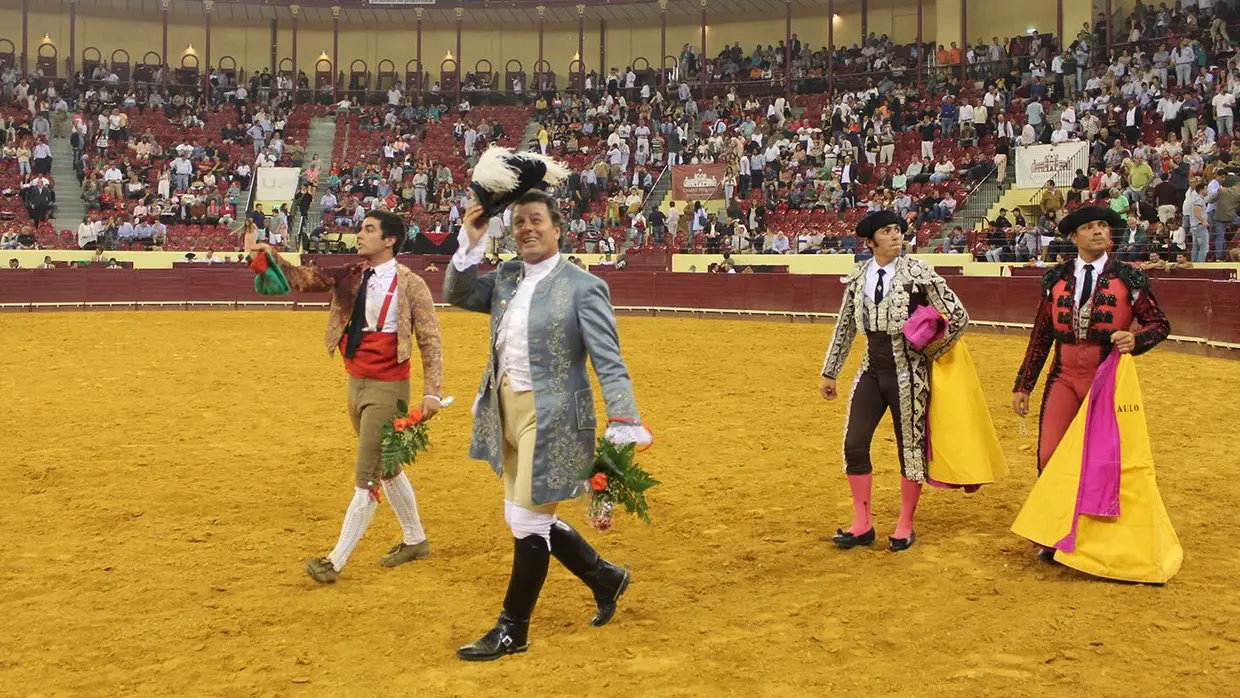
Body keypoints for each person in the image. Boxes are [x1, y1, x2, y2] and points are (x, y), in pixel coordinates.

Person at [446, 190, 650, 661]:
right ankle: (605, 577)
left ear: (558, 229)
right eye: (518, 223)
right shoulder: (506, 277)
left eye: (536, 220)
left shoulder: (584, 285)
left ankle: (512, 628)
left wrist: (624, 418)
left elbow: (610, 361)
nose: (527, 229)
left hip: (554, 415)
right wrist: (470, 243)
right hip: (505, 411)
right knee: (523, 518)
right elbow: (456, 293)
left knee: (527, 521)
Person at [247, 210, 445, 584]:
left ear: (389, 240)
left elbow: (430, 340)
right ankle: (415, 539)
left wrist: (432, 392)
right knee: (386, 467)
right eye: (361, 228)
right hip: (355, 382)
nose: (360, 235)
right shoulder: (353, 273)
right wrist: (267, 256)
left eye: (369, 230)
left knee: (366, 474)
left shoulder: (412, 284)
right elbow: (305, 280)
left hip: (389, 388)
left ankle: (335, 561)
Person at [1010, 206, 1174, 575]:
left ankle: (1096, 537)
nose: (1099, 231)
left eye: (1103, 225)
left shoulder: (1130, 278)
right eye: (1089, 227)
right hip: (1064, 376)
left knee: (1105, 459)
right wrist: (1024, 385)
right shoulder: (1056, 279)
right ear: (1074, 237)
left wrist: (1136, 337)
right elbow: (1041, 335)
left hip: (1107, 378)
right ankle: (1053, 535)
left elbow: (1159, 324)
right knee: (1050, 453)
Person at [819, 210, 970, 552]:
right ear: (870, 242)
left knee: (911, 450)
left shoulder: (919, 273)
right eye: (887, 232)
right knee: (854, 443)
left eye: (898, 230)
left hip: (910, 374)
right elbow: (845, 326)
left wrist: (930, 352)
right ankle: (863, 523)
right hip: (872, 370)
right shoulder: (858, 277)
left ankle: (905, 523)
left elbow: (958, 316)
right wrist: (831, 371)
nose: (896, 236)